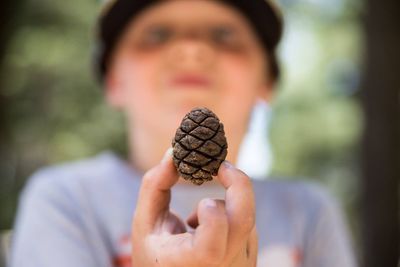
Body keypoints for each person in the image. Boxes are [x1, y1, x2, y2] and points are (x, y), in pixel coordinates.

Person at [9, 0, 357, 266]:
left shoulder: (309, 211)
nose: (191, 49)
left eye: (224, 34)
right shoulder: (64, 200)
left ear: (266, 82)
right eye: (157, 34)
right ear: (114, 80)